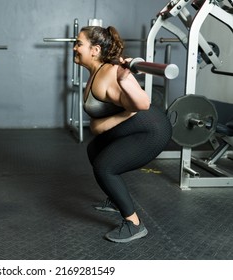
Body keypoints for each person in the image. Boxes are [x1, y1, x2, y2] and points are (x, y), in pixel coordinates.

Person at [73, 26, 172, 243]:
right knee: (95, 149)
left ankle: (133, 223)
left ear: (95, 50)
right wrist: (106, 124)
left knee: (105, 168)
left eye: (79, 43)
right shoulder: (96, 72)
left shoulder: (110, 73)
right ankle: (115, 198)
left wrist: (126, 79)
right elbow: (100, 125)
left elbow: (143, 103)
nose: (74, 48)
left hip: (151, 129)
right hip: (135, 124)